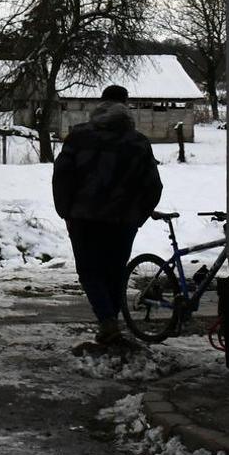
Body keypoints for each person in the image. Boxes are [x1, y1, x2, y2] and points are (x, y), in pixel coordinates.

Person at [51, 84, 163, 351]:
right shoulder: (138, 142)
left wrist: (66, 212)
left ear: (100, 105)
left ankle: (108, 323)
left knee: (90, 271)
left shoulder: (79, 137)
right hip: (123, 222)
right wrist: (137, 216)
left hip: (84, 220)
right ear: (127, 107)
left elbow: (62, 177)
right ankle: (110, 325)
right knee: (114, 272)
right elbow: (153, 187)